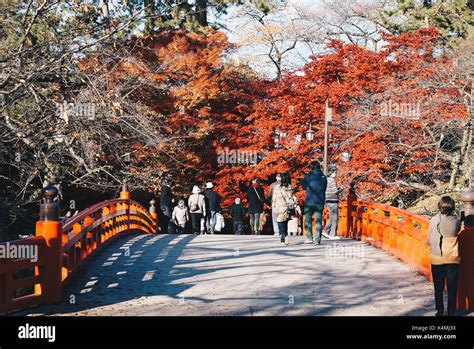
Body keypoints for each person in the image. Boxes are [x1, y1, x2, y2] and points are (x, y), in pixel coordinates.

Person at [427, 196, 462, 316]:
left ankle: (439, 311)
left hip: (437, 258)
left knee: (438, 287)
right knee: (452, 287)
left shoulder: (434, 220)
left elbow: (430, 239)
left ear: (439, 207)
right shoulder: (457, 220)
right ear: (452, 207)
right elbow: (458, 214)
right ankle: (451, 311)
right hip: (452, 257)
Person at [302, 161, 327, 245]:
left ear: (311, 167)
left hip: (309, 200)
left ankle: (309, 238)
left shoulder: (307, 176)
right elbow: (324, 189)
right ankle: (317, 239)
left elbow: (304, 187)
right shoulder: (323, 177)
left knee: (308, 219)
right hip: (320, 201)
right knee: (318, 220)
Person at [322, 166, 343, 240]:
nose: (335, 173)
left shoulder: (326, 180)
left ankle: (325, 231)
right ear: (331, 173)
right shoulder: (332, 180)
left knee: (331, 217)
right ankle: (332, 234)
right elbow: (335, 192)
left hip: (328, 200)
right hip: (333, 200)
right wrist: (341, 189)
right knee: (335, 218)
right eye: (334, 172)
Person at [273, 172, 293, 245]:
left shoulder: (287, 187)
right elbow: (289, 199)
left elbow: (274, 197)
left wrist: (274, 205)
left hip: (282, 207)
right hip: (282, 207)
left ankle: (283, 237)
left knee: (282, 223)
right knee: (282, 222)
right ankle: (284, 236)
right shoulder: (288, 187)